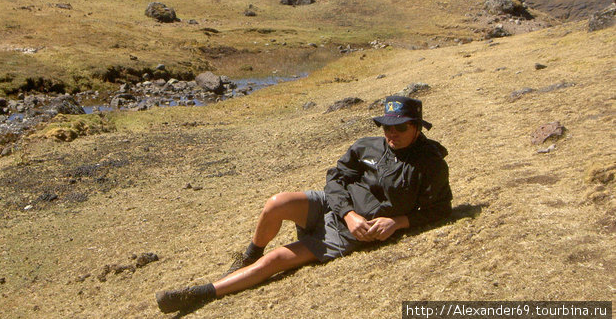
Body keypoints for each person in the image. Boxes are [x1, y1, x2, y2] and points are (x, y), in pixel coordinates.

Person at [156, 95, 452, 313]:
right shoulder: (368, 145)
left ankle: (200, 294)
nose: (391, 135)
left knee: (273, 262)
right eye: (387, 127)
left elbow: (440, 209)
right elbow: (335, 179)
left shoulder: (431, 165)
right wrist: (346, 212)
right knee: (276, 203)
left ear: (416, 127)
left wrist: (397, 222)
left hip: (351, 232)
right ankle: (247, 256)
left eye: (399, 129)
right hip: (336, 209)